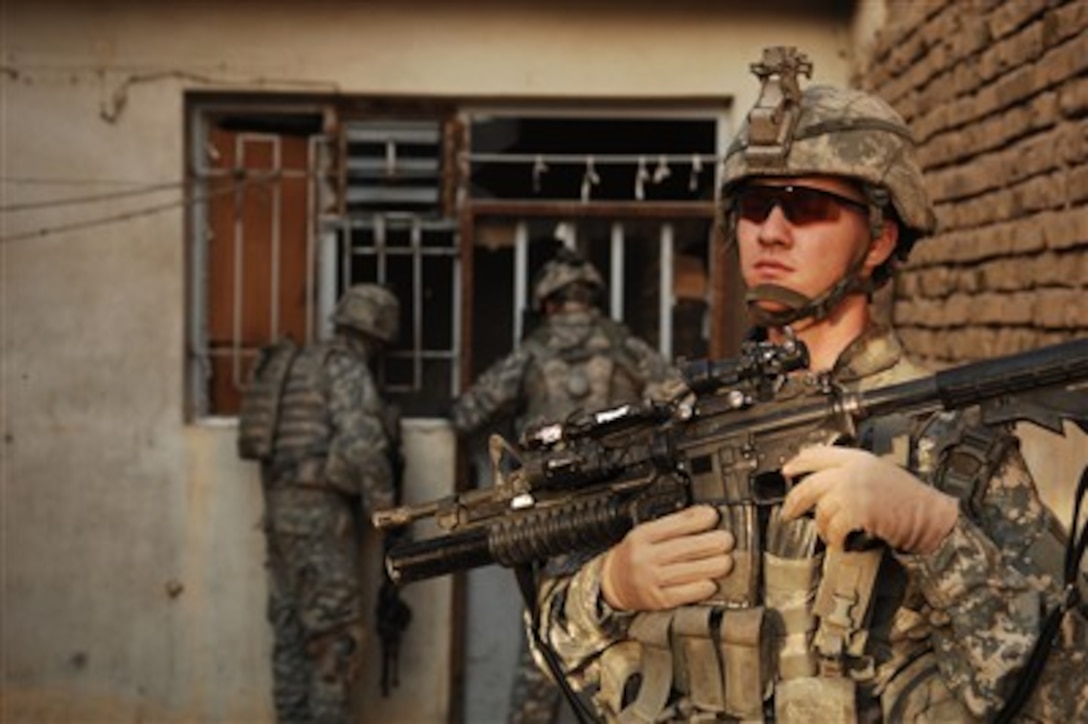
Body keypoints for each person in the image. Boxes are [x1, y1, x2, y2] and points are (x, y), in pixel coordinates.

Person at [530, 46, 1087, 722]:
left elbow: (1063, 697)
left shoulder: (952, 443)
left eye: (807, 207)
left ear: (879, 239)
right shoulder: (677, 426)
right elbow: (553, 643)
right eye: (754, 204)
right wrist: (610, 587)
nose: (771, 230)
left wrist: (940, 538)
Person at [450, 247, 681, 724]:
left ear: (547, 301)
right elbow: (678, 399)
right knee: (623, 648)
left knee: (546, 641)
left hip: (550, 515)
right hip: (620, 513)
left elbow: (467, 413)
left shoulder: (532, 351)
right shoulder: (625, 345)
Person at [247, 284, 400, 724]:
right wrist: (385, 509)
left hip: (280, 510)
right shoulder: (345, 368)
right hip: (320, 516)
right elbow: (362, 445)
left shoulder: (297, 364)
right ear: (378, 332)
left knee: (292, 635)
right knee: (334, 641)